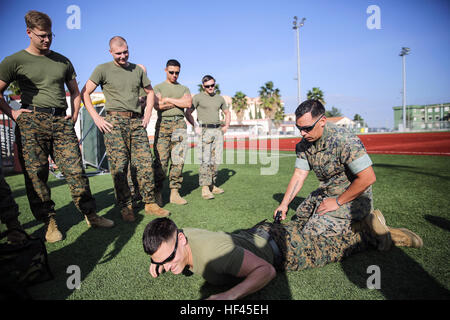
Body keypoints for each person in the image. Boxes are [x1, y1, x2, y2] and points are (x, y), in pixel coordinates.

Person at [0, 10, 113, 243]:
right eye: (41, 35)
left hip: (61, 123)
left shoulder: (63, 60)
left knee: (76, 171)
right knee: (37, 176)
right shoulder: (14, 61)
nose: (47, 40)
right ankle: (49, 222)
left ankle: (90, 214)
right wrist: (12, 113)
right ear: (29, 33)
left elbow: (75, 92)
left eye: (50, 35)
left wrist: (73, 116)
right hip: (31, 122)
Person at [142, 214, 422, 300]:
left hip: (279, 248)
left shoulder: (214, 254)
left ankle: (375, 230)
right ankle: (356, 224)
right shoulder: (177, 235)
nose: (165, 266)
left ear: (180, 239)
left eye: (168, 259)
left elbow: (265, 271)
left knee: (337, 249)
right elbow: (164, 250)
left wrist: (228, 297)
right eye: (159, 261)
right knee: (317, 231)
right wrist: (158, 262)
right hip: (258, 233)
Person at [81, 36, 169, 221]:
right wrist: (96, 118)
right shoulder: (102, 69)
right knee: (119, 166)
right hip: (114, 122)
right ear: (111, 52)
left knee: (145, 162)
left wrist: (147, 115)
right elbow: (85, 93)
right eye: (119, 53)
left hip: (136, 122)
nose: (123, 56)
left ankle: (150, 202)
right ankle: (126, 207)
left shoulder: (137, 70)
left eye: (126, 52)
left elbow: (150, 92)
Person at [153, 59, 192, 205]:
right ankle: (157, 193)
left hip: (180, 124)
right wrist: (177, 102)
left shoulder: (184, 88)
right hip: (163, 124)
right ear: (165, 70)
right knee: (161, 161)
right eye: (171, 72)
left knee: (178, 160)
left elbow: (187, 103)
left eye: (177, 73)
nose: (175, 75)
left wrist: (168, 99)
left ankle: (174, 193)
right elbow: (158, 105)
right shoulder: (158, 87)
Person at [186, 75, 231, 200]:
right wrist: (195, 126)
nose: (210, 88)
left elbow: (227, 112)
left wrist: (226, 125)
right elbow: (188, 112)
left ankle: (212, 185)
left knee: (216, 160)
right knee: (205, 160)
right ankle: (205, 188)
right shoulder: (198, 97)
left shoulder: (219, 98)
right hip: (204, 130)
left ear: (215, 84)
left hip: (217, 130)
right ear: (203, 86)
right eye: (207, 86)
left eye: (212, 85)